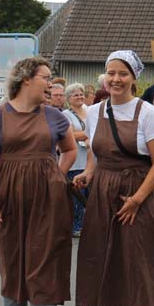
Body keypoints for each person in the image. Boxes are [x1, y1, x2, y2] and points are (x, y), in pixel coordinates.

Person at [75, 50, 154, 306]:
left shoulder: (146, 112)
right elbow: (95, 152)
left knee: (135, 261)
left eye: (123, 73)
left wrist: (136, 200)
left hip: (138, 193)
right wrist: (88, 174)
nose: (116, 79)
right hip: (104, 193)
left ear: (134, 78)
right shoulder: (93, 112)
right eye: (111, 73)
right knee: (106, 259)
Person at [0, 57, 76, 306]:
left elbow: (71, 150)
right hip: (7, 197)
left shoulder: (55, 116)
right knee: (12, 263)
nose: (51, 84)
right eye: (46, 78)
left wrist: (56, 176)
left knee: (42, 263)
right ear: (25, 79)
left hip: (48, 201)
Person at [62, 83, 91, 236]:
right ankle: (76, 226)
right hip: (76, 161)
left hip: (90, 160)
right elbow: (68, 135)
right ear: (68, 99)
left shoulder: (89, 110)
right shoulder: (66, 115)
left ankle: (88, 224)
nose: (80, 97)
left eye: (81, 94)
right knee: (77, 196)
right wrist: (87, 134)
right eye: (75, 95)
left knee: (90, 195)